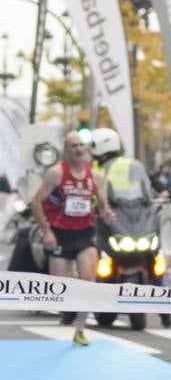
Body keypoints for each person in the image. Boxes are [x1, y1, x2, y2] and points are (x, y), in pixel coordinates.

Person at [30, 131, 115, 346]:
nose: (78, 149)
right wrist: (46, 231)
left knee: (89, 282)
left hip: (85, 234)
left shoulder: (95, 176)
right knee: (60, 287)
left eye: (81, 145)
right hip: (59, 234)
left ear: (87, 149)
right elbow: (36, 202)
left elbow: (103, 204)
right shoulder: (56, 173)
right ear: (67, 150)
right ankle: (67, 310)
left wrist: (107, 213)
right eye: (73, 146)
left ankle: (80, 329)